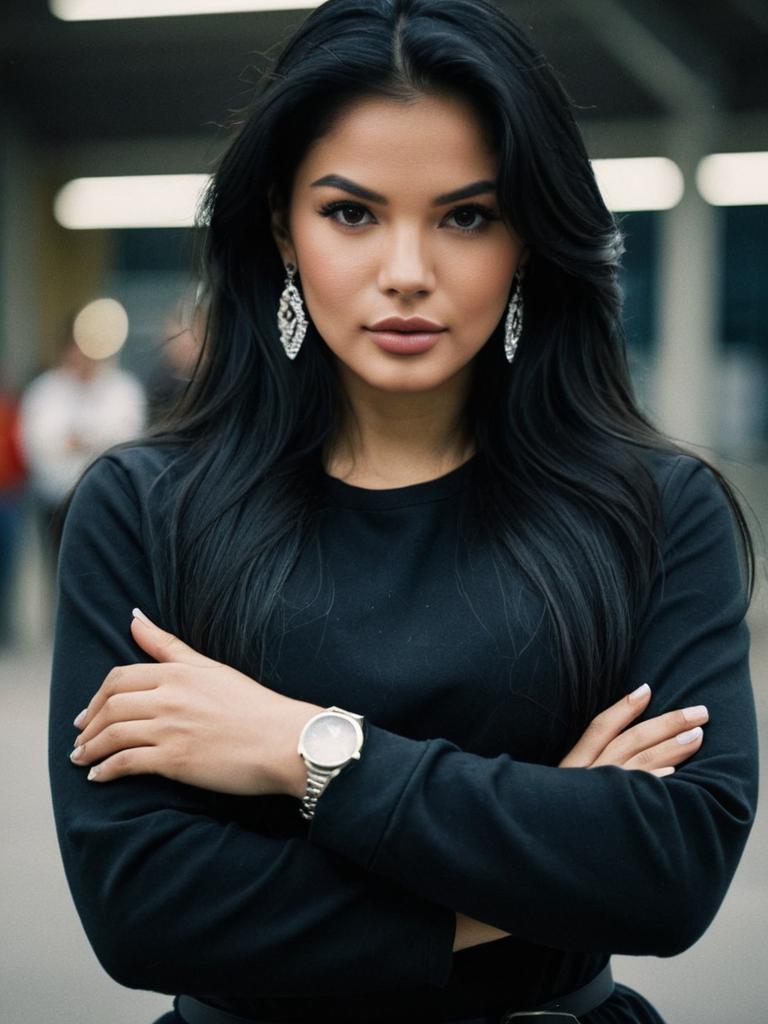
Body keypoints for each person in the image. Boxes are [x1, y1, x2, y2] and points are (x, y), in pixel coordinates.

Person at [47, 2, 759, 1023]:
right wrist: (530, 864)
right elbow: (142, 909)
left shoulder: (653, 508)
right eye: (351, 213)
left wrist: (300, 744)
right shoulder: (146, 506)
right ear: (283, 230)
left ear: (526, 238)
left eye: (466, 215)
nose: (408, 273)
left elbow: (671, 870)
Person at [19, 319, 146, 587]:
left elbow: (130, 438)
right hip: (56, 501)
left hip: (111, 499)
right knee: (59, 576)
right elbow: (37, 446)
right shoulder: (45, 390)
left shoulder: (121, 387)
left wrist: (79, 441)